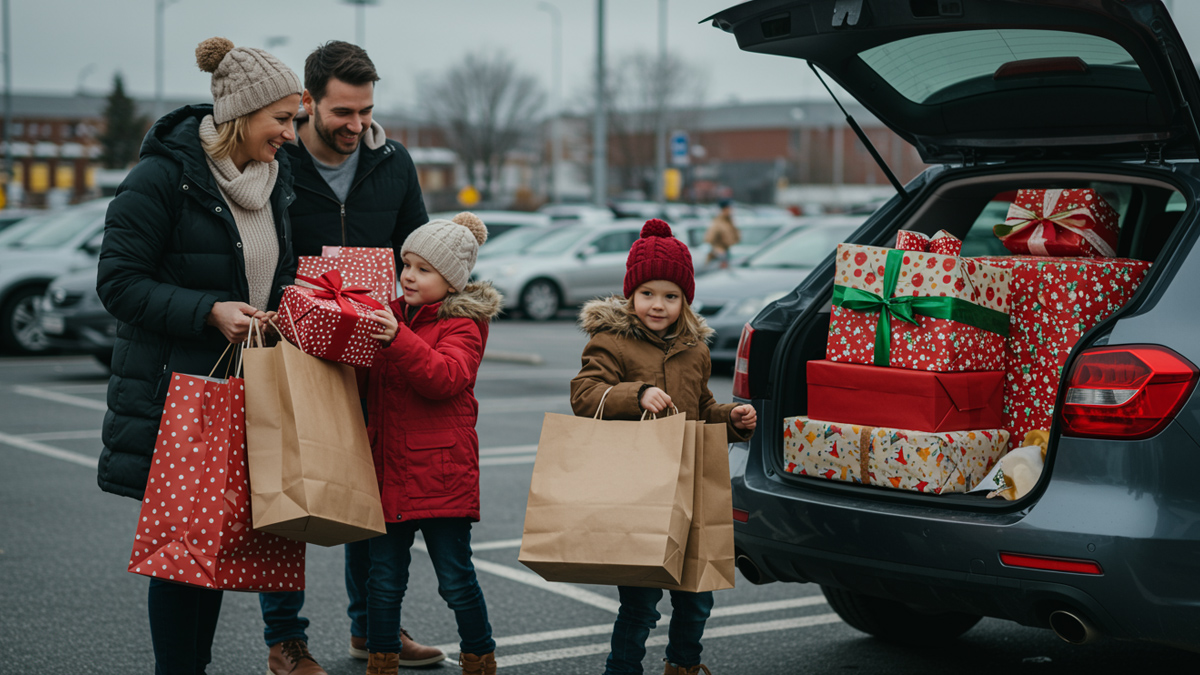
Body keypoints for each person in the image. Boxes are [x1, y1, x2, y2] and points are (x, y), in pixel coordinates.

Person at [95, 37, 302, 674]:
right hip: (179, 392)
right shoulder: (161, 177)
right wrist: (209, 310)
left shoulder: (275, 180)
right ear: (243, 112)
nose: (291, 134)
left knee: (213, 547)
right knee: (182, 549)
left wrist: (292, 308)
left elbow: (274, 273)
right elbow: (118, 283)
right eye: (281, 119)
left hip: (247, 388)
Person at [260, 40, 442, 674]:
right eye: (343, 112)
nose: (357, 125)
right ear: (308, 103)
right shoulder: (276, 159)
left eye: (366, 110)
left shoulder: (393, 161)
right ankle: (286, 640)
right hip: (293, 348)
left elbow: (416, 250)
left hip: (371, 351)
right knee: (288, 496)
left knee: (367, 495)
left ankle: (373, 628)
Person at [568, 218, 757, 675]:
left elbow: (702, 407)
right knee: (640, 602)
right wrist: (636, 394)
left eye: (671, 296)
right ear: (630, 294)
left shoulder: (695, 349)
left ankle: (683, 665)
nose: (658, 304)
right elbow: (584, 394)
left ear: (684, 300)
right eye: (648, 293)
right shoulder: (611, 341)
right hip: (639, 490)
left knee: (697, 596)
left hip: (690, 488)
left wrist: (731, 419)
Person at [362, 212, 501, 675]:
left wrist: (397, 338)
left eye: (424, 269)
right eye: (406, 264)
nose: (409, 275)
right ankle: (381, 661)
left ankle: (479, 657)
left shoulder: (463, 324)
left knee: (456, 580)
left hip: (442, 477)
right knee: (383, 581)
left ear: (452, 280)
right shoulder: (390, 316)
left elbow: (445, 377)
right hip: (388, 473)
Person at [703, 198, 740, 269]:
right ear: (724, 209)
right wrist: (718, 249)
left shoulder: (730, 221)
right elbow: (708, 239)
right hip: (720, 256)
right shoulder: (718, 222)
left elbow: (736, 238)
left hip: (728, 252)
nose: (731, 210)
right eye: (729, 208)